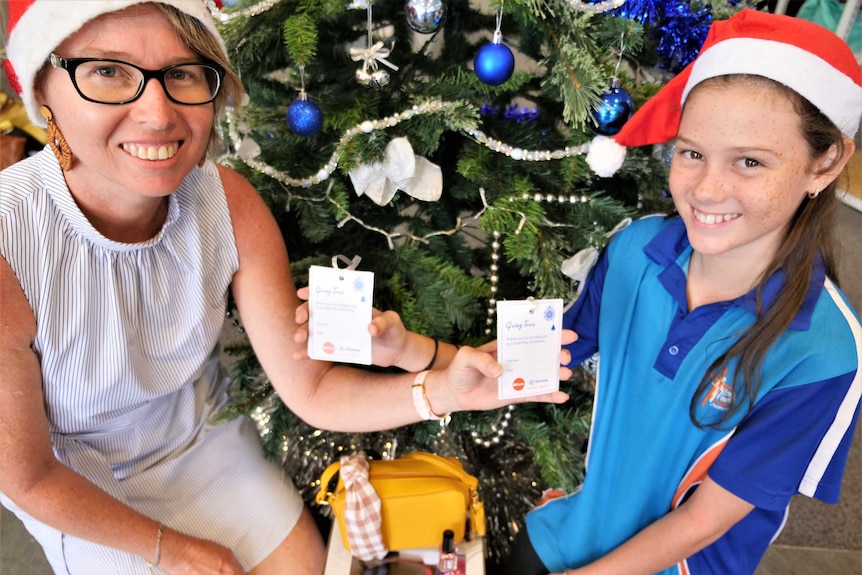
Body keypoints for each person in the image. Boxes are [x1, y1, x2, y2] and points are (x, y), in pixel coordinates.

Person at [0, 2, 572, 574]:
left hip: (203, 440)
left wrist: (444, 390)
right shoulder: (10, 239)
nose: (157, 113)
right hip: (75, 479)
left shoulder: (226, 202)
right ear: (43, 89)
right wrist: (174, 550)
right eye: (108, 71)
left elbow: (313, 389)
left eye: (181, 74)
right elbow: (26, 476)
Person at [514, 9, 862, 575]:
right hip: (572, 533)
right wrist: (414, 358)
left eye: (750, 162)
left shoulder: (825, 351)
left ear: (824, 162)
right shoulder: (635, 251)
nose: (706, 188)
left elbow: (706, 520)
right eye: (692, 152)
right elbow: (543, 358)